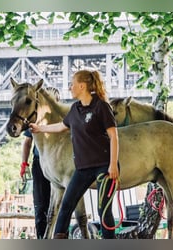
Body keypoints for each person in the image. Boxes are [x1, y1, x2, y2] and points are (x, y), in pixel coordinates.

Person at [29, 68, 119, 239]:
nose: (70, 87)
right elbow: (62, 126)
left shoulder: (101, 106)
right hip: (83, 168)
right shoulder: (75, 109)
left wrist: (113, 165)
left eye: (72, 84)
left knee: (104, 210)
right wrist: (40, 128)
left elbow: (114, 137)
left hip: (103, 167)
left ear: (82, 86)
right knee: (66, 206)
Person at [20, 86, 60, 239]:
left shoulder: (63, 118)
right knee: (41, 206)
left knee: (60, 205)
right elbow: (27, 142)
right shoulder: (35, 119)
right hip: (40, 163)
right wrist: (24, 164)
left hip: (58, 164)